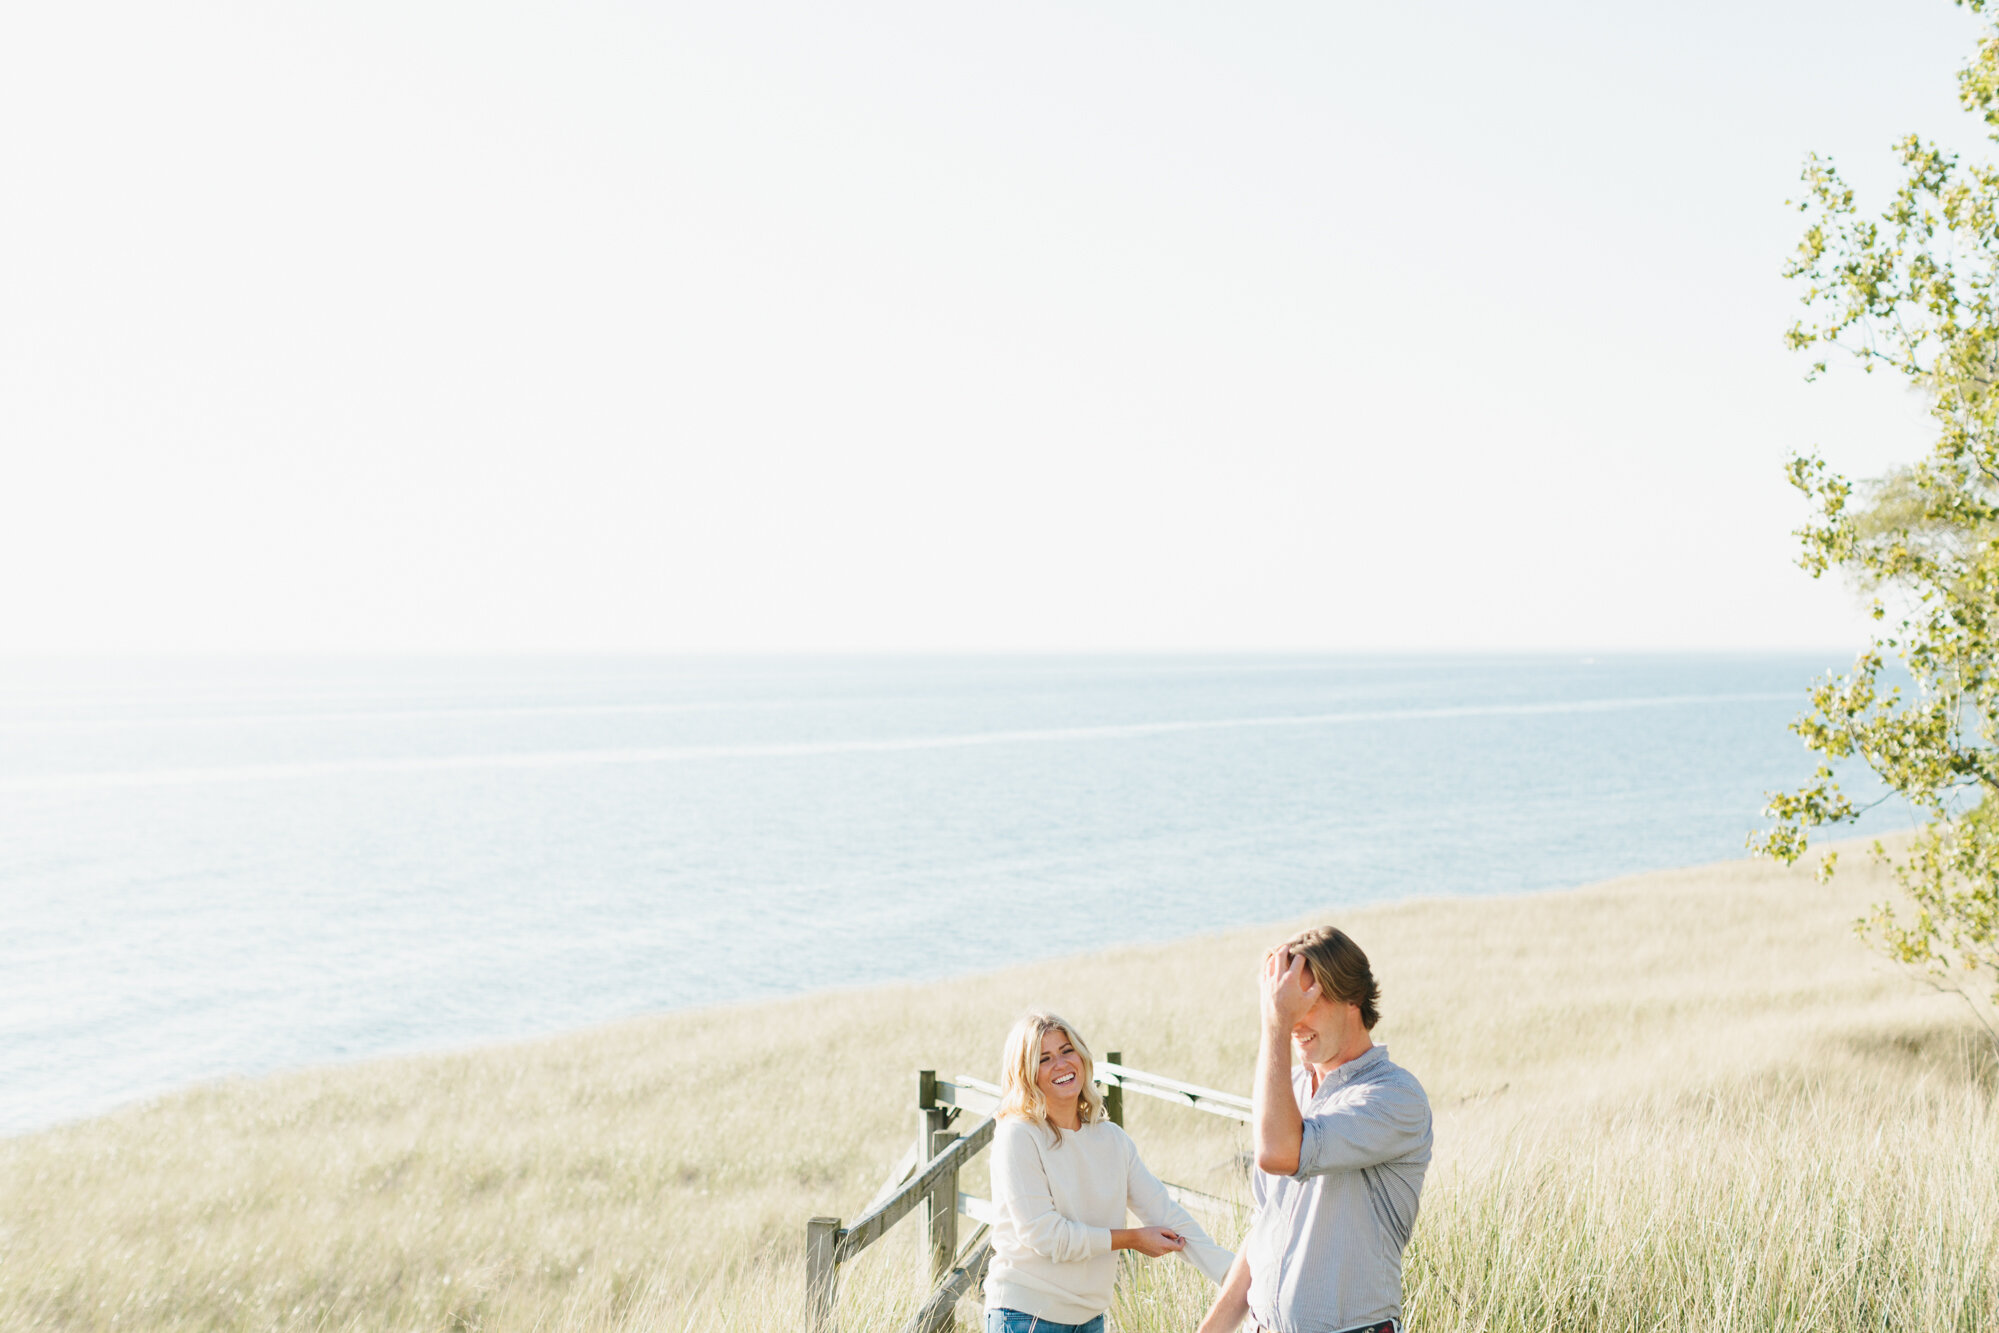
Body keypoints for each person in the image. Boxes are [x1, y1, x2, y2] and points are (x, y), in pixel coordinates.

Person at [1197, 927, 1432, 1333]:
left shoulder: (1395, 1097)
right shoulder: (1289, 1091)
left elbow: (1280, 1153)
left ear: (1352, 998)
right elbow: (1263, 1228)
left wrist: (1274, 1024)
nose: (1293, 1021)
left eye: (1307, 1002)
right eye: (1285, 1004)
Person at [984, 1010, 1233, 1333]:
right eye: (1044, 1059)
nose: (1060, 1065)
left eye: (1066, 1051)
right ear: (1026, 1073)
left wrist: (1236, 1277)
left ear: (1082, 1057)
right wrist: (1131, 1239)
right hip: (1025, 1316)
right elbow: (1045, 1236)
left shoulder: (1112, 1139)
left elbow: (1165, 1213)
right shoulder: (1018, 1136)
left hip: (1090, 1319)